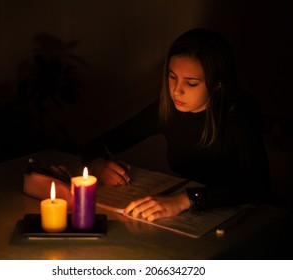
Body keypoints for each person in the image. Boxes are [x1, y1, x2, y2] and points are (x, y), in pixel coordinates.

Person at [81, 28, 271, 222]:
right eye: (172, 77)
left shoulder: (237, 114)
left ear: (217, 84)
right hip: (191, 219)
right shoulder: (167, 110)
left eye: (191, 83)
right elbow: (96, 145)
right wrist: (98, 165)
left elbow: (257, 185)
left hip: (244, 218)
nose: (176, 91)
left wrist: (186, 200)